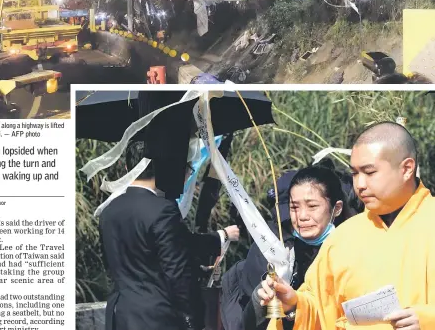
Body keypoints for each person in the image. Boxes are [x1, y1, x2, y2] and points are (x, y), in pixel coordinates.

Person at [255, 122, 435, 330]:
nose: (359, 185)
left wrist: (427, 321)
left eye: (369, 172)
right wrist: (294, 304)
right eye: (355, 174)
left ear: (406, 169)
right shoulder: (344, 237)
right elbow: (319, 307)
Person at [100, 141, 240, 330]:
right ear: (159, 166)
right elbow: (178, 274)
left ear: (127, 168)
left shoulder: (108, 211)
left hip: (120, 316)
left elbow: (110, 266)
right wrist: (194, 319)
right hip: (156, 318)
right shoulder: (162, 210)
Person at [221, 165, 354, 330]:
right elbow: (248, 320)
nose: (302, 216)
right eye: (294, 207)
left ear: (337, 209)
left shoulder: (350, 244)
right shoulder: (271, 246)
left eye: (312, 206)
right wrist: (262, 299)